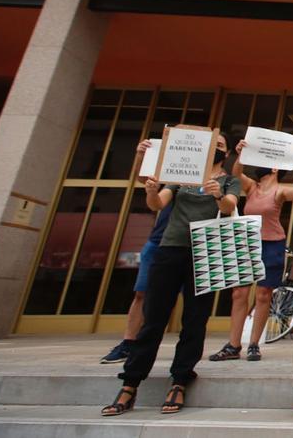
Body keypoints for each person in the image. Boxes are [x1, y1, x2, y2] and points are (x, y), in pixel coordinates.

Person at [101, 132, 241, 417]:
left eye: (221, 146)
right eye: (212, 144)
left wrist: (217, 194)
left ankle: (180, 379)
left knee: (195, 319)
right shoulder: (182, 176)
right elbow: (158, 204)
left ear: (225, 154)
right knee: (154, 318)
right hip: (171, 249)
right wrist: (152, 190)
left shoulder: (229, 180)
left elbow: (229, 206)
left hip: (206, 253)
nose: (216, 148)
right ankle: (130, 383)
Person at [208, 140, 293, 363]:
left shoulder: (279, 191)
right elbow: (237, 172)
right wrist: (241, 154)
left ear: (275, 168)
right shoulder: (251, 188)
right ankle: (233, 344)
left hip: (272, 244)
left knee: (263, 295)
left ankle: (254, 344)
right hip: (248, 243)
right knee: (239, 293)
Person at [100, 140, 172, 364]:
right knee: (142, 293)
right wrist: (141, 155)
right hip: (159, 241)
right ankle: (129, 343)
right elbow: (146, 180)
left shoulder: (217, 179)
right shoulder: (175, 174)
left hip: (192, 245)